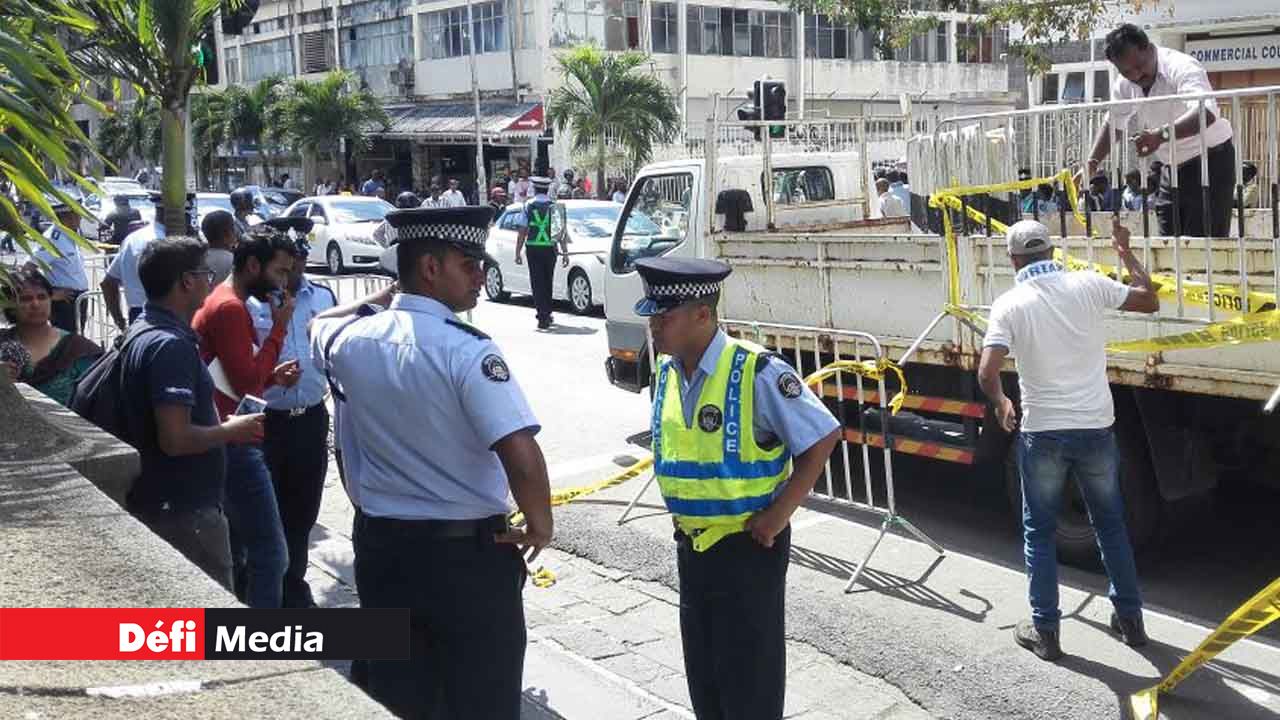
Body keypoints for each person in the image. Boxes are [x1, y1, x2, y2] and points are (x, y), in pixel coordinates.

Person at [310, 206, 553, 719]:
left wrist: (388, 300)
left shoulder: (348, 340)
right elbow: (520, 453)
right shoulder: (467, 350)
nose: (480, 276)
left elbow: (317, 324)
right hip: (466, 562)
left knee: (399, 697)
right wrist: (540, 523)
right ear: (430, 268)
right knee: (483, 698)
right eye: (469, 265)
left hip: (383, 552)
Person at [632, 256, 840, 720]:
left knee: (749, 689)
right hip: (692, 548)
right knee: (706, 685)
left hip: (747, 549)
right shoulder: (667, 370)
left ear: (702, 315)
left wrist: (779, 515)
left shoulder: (756, 370)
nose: (654, 326)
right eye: (651, 316)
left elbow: (822, 435)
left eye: (664, 316)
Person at [977, 219, 1158, 662]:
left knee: (1039, 532)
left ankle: (1046, 631)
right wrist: (1125, 253)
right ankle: (1131, 621)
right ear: (1052, 252)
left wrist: (1001, 403)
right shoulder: (1089, 284)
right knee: (1110, 524)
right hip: (1097, 428)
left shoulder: (1010, 304)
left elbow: (987, 371)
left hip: (1043, 433)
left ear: (1013, 259)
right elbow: (1149, 298)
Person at [120, 237, 265, 590]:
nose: (210, 282)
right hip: (184, 512)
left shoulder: (144, 329)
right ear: (187, 281)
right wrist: (232, 430)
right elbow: (175, 439)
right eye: (205, 274)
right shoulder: (169, 346)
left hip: (167, 502)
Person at [192, 225, 301, 609]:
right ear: (253, 265)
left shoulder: (226, 302)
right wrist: (280, 328)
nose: (284, 282)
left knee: (241, 551)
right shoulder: (230, 308)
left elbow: (240, 377)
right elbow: (246, 384)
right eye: (280, 271)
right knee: (272, 556)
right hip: (235, 443)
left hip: (229, 434)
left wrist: (272, 376)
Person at [248, 219, 336, 608]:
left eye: (300, 258)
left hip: (311, 418)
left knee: (303, 511)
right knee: (265, 514)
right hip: (267, 422)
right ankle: (264, 591)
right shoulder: (250, 303)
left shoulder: (324, 297)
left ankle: (294, 585)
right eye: (288, 262)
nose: (295, 267)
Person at [1080, 24, 1235, 237]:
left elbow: (1206, 112)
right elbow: (1114, 122)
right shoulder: (1125, 83)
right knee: (1167, 246)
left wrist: (1160, 136)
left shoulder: (1181, 66)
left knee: (1203, 246)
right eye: (1127, 72)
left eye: (1139, 66)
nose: (1136, 75)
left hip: (1211, 163)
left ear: (1149, 48)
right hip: (1171, 168)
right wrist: (1091, 163)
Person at [0, 268, 102, 406]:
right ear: (10, 305)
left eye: (42, 297)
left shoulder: (79, 350)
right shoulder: (3, 343)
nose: (36, 304)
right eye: (25, 299)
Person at [25, 202, 89, 335]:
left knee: (76, 340)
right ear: (67, 217)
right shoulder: (53, 239)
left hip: (78, 300)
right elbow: (27, 269)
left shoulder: (71, 235)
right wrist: (50, 294)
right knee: (65, 343)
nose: (80, 218)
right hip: (65, 303)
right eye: (78, 214)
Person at [513, 176, 568, 330]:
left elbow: (522, 230)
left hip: (533, 248)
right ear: (548, 189)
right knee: (548, 280)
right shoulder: (555, 206)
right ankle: (547, 313)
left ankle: (542, 315)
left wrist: (517, 252)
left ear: (535, 189)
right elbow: (560, 233)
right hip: (550, 249)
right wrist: (565, 252)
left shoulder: (527, 205)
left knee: (537, 282)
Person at [103, 203, 168, 329]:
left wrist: (120, 321)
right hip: (162, 317)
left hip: (137, 315)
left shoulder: (133, 238)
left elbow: (108, 283)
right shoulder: (166, 241)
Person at [201, 210, 239, 286]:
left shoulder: (200, 259)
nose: (236, 231)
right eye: (233, 228)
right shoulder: (233, 261)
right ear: (227, 234)